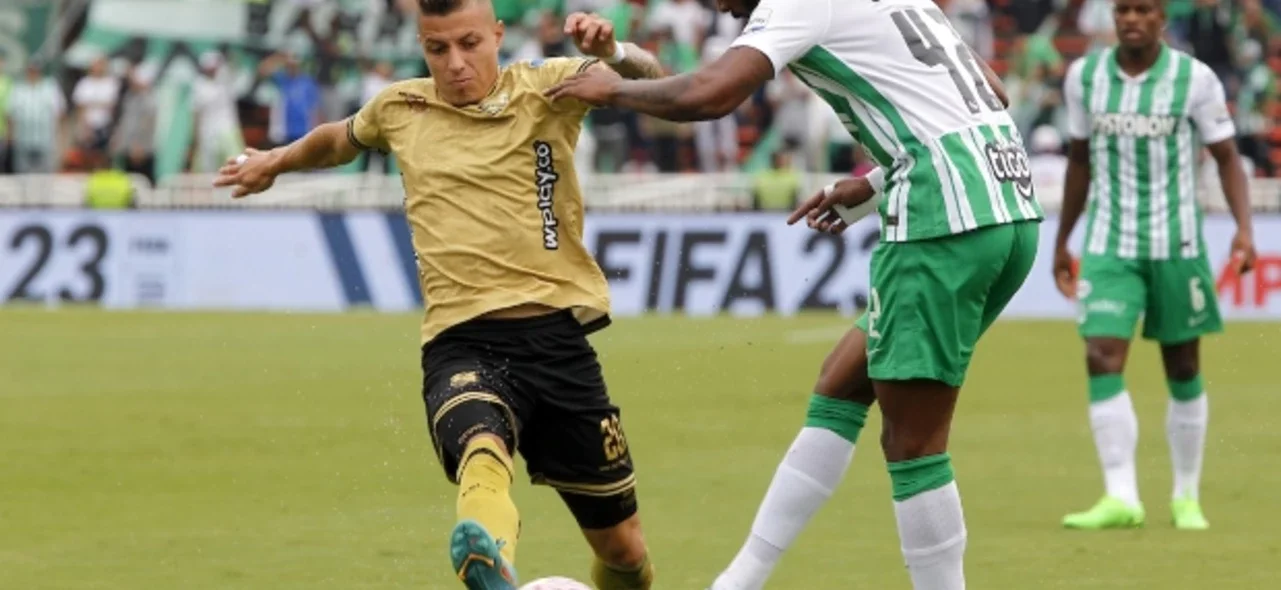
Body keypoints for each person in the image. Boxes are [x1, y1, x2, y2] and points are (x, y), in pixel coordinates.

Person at [547, 0, 1041, 588]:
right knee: (842, 382)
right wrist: (873, 183)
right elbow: (987, 90)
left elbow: (710, 95)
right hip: (1010, 209)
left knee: (914, 445)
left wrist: (610, 88)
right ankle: (739, 581)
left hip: (945, 220)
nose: (718, 8)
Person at [212, 2, 665, 589]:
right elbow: (337, 140)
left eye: (469, 44)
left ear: (498, 35)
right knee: (482, 445)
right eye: (437, 49)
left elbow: (661, 88)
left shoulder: (552, 85)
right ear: (422, 46)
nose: (455, 63)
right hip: (462, 341)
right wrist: (275, 160)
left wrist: (613, 54)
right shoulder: (400, 106)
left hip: (557, 342)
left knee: (625, 551)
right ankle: (489, 561)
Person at [1053, 0, 1256, 531]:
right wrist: (1062, 241)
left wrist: (1243, 228)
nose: (1131, 19)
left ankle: (1185, 495)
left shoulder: (1195, 79)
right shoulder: (1085, 77)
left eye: (1143, 10)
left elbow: (1228, 157)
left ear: (1162, 18)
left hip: (1177, 242)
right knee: (1101, 354)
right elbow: (1079, 160)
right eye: (1123, 10)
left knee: (1183, 367)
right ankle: (1121, 495)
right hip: (1108, 241)